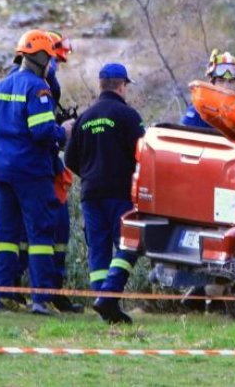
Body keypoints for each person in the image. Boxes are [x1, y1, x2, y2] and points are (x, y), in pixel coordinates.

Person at [0, 30, 69, 316]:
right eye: (50, 58)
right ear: (41, 58)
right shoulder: (38, 88)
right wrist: (63, 132)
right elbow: (42, 131)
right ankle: (41, 299)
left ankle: (1, 296)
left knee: (6, 237)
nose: (51, 64)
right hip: (31, 173)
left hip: (0, 173)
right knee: (40, 236)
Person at [65, 63, 145, 324]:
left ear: (101, 86)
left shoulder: (84, 118)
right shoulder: (128, 116)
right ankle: (109, 296)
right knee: (129, 244)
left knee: (98, 249)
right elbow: (143, 154)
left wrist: (90, 174)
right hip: (120, 193)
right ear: (121, 86)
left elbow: (70, 159)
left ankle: (103, 303)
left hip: (91, 194)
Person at [180, 49, 235, 128]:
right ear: (212, 84)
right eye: (221, 81)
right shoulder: (198, 111)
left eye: (230, 82)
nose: (226, 86)